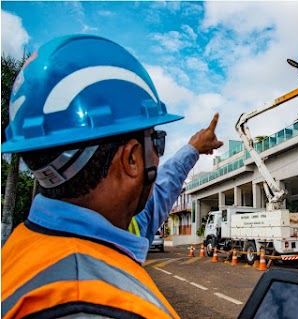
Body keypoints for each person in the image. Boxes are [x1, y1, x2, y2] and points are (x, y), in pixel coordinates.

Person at [1, 34, 223, 318]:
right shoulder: (103, 306)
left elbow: (154, 201)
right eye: (156, 141)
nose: (158, 156)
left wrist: (192, 149)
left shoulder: (22, 248)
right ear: (131, 159)